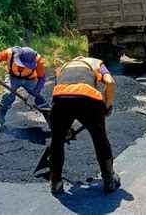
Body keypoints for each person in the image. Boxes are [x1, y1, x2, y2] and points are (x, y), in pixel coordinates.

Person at [49, 56, 120, 194]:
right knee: (100, 138)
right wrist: (106, 107)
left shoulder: (63, 67)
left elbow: (65, 91)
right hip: (89, 100)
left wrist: (66, 128)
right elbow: (110, 82)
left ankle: (55, 182)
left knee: (57, 141)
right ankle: (109, 180)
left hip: (60, 100)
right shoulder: (96, 63)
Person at [0, 46, 50, 131]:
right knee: (8, 95)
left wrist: (33, 95)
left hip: (30, 79)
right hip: (12, 77)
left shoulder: (38, 59)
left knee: (39, 98)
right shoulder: (10, 53)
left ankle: (52, 123)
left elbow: (42, 78)